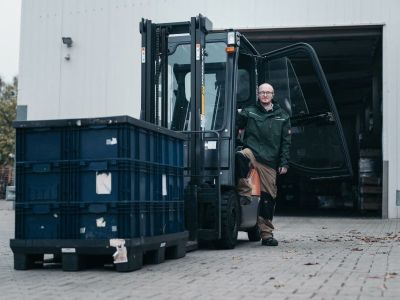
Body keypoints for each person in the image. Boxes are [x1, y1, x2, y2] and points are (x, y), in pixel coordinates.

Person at [236, 82, 291, 246]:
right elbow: (235, 124)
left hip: (269, 160)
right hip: (251, 152)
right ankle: (245, 192)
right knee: (239, 156)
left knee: (268, 198)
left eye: (268, 92)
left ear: (273, 95)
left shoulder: (283, 116)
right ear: (258, 94)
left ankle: (266, 234)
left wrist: (284, 163)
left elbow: (286, 143)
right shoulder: (249, 111)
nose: (265, 95)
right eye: (262, 92)